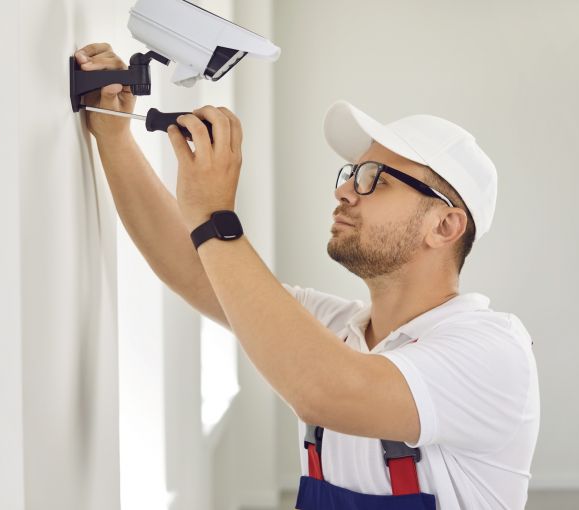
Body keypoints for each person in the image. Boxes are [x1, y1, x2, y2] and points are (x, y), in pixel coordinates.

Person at [74, 42, 540, 510]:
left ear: (444, 226)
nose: (344, 191)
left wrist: (216, 216)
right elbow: (196, 270)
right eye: (351, 173)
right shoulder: (336, 330)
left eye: (375, 178)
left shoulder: (493, 349)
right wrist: (114, 136)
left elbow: (329, 390)